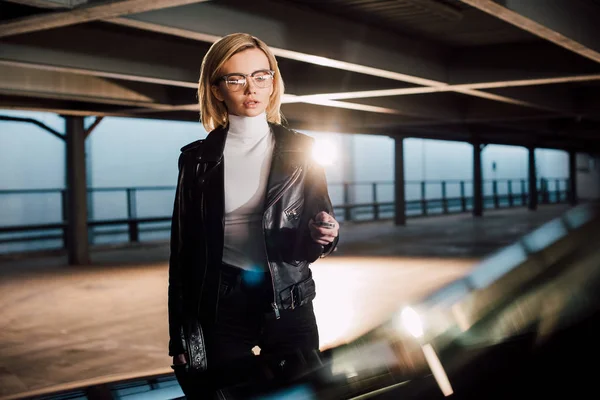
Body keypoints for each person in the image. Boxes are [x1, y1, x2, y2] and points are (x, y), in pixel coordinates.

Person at [168, 32, 340, 399]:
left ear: (273, 81)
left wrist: (324, 235)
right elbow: (182, 253)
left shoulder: (302, 150)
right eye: (237, 79)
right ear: (217, 89)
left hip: (289, 301)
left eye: (261, 76)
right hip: (221, 305)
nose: (251, 88)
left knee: (305, 394)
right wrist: (179, 333)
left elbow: (318, 230)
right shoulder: (196, 159)